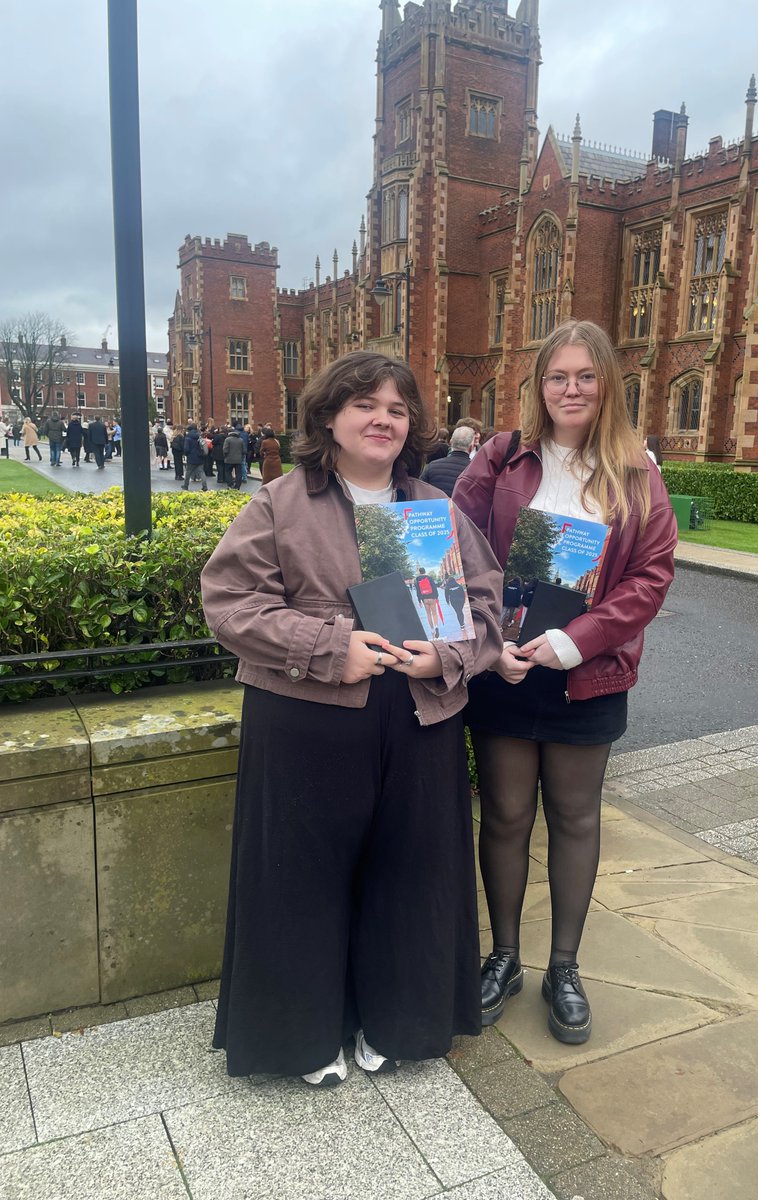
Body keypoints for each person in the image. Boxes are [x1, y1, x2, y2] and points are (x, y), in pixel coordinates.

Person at [200, 350, 502, 1084]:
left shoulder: (436, 511)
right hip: (307, 717)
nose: (383, 419)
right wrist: (332, 646)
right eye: (366, 404)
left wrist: (448, 659)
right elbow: (228, 603)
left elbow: (490, 609)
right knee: (300, 879)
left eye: (398, 409)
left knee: (411, 875)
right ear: (330, 417)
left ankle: (399, 1021)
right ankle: (300, 1038)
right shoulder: (279, 502)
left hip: (420, 720)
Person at [453, 319, 677, 1046]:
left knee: (576, 819)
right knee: (508, 816)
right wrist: (493, 643)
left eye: (585, 376)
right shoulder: (500, 457)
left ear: (607, 383)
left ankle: (566, 968)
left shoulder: (636, 471)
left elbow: (649, 578)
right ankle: (506, 957)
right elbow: (458, 548)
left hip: (589, 675)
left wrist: (573, 641)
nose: (571, 389)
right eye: (558, 376)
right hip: (507, 671)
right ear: (538, 385)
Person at [420, 425, 475, 495]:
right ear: (471, 447)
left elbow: (420, 492)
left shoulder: (432, 466)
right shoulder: (475, 471)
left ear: (451, 442)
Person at [181, 422, 209, 491]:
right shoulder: (199, 436)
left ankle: (185, 485)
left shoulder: (188, 437)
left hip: (191, 457)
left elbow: (186, 449)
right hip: (200, 456)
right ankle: (204, 486)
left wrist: (186, 454)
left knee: (188, 472)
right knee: (201, 472)